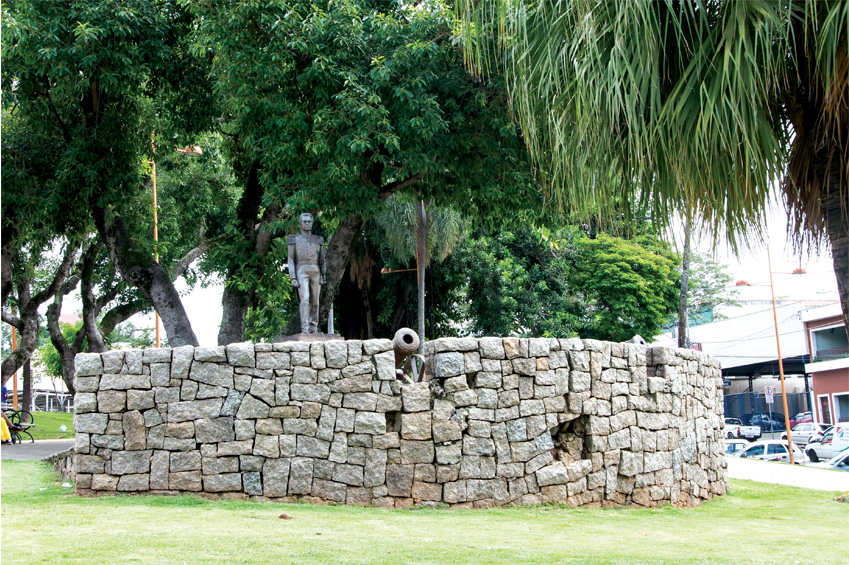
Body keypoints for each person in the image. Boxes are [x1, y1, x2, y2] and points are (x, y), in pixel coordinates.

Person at [287, 213, 326, 334]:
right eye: (305, 221)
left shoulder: (318, 240)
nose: (307, 224)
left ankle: (313, 327)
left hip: (315, 270)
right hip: (301, 269)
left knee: (315, 300)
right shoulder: (294, 239)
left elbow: (321, 260)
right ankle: (304, 328)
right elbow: (290, 259)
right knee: (305, 299)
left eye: (309, 221)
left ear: (312, 222)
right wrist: (293, 277)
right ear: (300, 223)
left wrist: (323, 275)